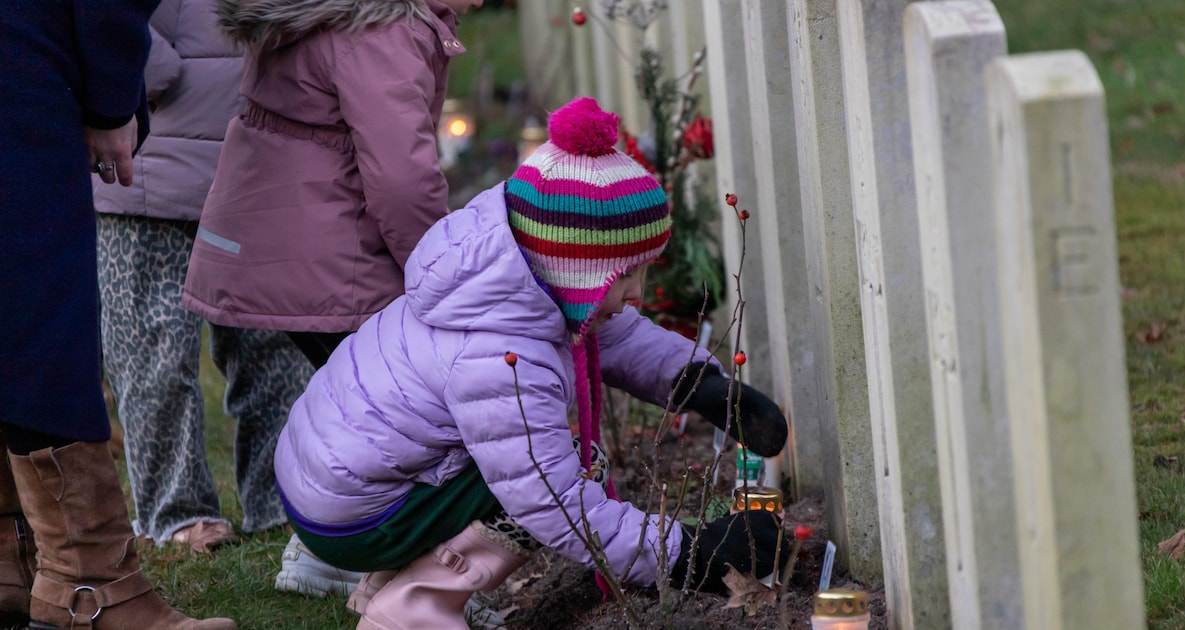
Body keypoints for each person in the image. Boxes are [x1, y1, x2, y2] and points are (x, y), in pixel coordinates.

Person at [273, 97, 792, 630]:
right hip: (354, 515)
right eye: (626, 275)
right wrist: (687, 553)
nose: (638, 294)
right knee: (563, 469)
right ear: (574, 269)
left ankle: (392, 580)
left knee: (540, 461)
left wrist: (702, 387)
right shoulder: (501, 357)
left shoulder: (503, 275)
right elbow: (553, 503)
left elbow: (608, 333)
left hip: (338, 481)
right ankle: (411, 610)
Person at [182, 0, 484, 596]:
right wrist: (445, 278)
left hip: (285, 239)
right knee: (410, 423)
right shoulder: (384, 29)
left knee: (362, 413)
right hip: (331, 256)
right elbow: (403, 181)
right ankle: (387, 575)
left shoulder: (349, 13)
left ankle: (323, 555)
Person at [0, 1, 236, 628]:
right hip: (23, 62)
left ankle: (10, 561)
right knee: (42, 317)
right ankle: (90, 584)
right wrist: (109, 99)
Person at [94, 0, 316, 554]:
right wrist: (132, 68)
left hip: (257, 151)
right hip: (149, 153)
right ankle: (178, 513)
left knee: (274, 343)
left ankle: (283, 498)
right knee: (155, 347)